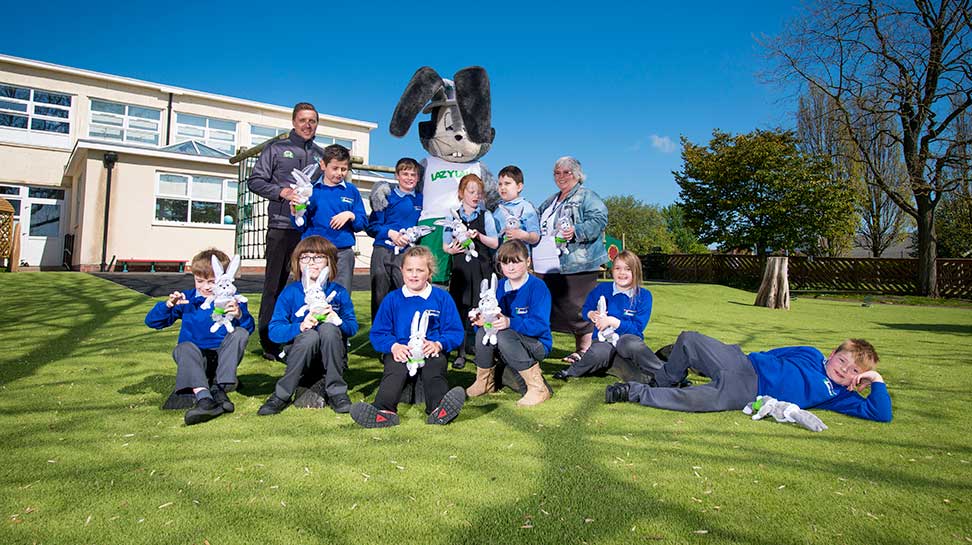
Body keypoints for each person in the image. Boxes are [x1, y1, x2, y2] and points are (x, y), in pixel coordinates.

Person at [604, 332, 893, 423]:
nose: (844, 370)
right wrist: (732, 360)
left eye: (853, 371)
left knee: (695, 400)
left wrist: (876, 379)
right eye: (842, 361)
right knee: (689, 340)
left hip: (748, 390)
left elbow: (880, 413)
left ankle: (634, 392)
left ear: (859, 378)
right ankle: (664, 378)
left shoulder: (839, 394)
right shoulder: (809, 353)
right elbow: (774, 353)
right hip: (742, 361)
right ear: (832, 354)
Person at [350, 246, 467, 428]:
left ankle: (439, 410)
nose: (414, 275)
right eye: (409, 270)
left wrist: (439, 344)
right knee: (394, 372)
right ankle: (383, 412)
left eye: (419, 270)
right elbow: (379, 333)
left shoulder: (441, 298)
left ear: (429, 272)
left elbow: (455, 331)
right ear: (402, 271)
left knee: (434, 371)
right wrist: (393, 346)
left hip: (430, 350)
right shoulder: (392, 299)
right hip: (400, 349)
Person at [246, 102, 326, 360]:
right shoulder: (276, 149)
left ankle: (300, 337)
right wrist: (282, 192)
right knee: (275, 286)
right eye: (303, 120)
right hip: (281, 228)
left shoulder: (320, 155)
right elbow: (255, 180)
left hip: (309, 231)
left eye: (312, 120)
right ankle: (269, 341)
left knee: (307, 285)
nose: (307, 125)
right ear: (294, 122)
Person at [144, 248, 254, 426]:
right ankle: (205, 399)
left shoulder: (233, 300)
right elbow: (153, 322)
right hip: (195, 358)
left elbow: (248, 329)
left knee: (239, 333)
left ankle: (220, 386)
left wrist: (240, 315)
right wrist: (168, 306)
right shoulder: (186, 299)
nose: (205, 287)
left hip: (223, 358)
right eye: (199, 281)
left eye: (211, 281)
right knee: (184, 347)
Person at [257, 236, 358, 416]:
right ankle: (282, 394)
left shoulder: (338, 292)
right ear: (298, 262)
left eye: (318, 257)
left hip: (333, 355)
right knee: (310, 335)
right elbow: (274, 331)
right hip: (300, 354)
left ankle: (337, 392)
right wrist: (300, 327)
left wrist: (337, 320)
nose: (312, 263)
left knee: (328, 328)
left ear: (329, 262)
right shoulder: (290, 292)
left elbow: (352, 328)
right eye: (305, 258)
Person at [533, 156, 609, 365]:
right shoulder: (550, 200)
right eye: (557, 172)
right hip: (548, 265)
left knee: (578, 307)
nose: (561, 176)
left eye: (566, 172)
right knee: (553, 307)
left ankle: (584, 350)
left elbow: (599, 219)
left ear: (577, 174)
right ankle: (542, 347)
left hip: (578, 263)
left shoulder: (587, 196)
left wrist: (576, 231)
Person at [467, 240, 553, 406]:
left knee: (505, 335)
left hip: (537, 343)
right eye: (505, 263)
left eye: (516, 262)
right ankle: (484, 382)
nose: (511, 268)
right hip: (508, 340)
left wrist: (509, 322)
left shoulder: (537, 287)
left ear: (528, 262)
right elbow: (493, 315)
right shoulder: (499, 286)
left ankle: (538, 388)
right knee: (484, 332)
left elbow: (540, 325)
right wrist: (482, 319)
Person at [554, 250, 660, 382]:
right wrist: (591, 314)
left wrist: (613, 322)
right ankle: (571, 372)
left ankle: (664, 374)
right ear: (612, 271)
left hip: (628, 341)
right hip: (604, 340)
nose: (622, 273)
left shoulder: (643, 296)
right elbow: (586, 309)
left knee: (631, 345)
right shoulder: (602, 289)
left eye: (628, 269)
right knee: (599, 353)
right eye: (617, 268)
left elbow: (637, 328)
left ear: (636, 271)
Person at [442, 173, 499, 369]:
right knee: (460, 310)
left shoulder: (486, 216)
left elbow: (494, 242)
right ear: (461, 193)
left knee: (482, 309)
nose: (475, 196)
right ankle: (461, 353)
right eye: (471, 191)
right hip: (461, 271)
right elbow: (445, 245)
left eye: (479, 193)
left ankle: (482, 353)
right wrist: (451, 249)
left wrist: (479, 236)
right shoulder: (452, 215)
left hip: (482, 267)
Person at [292, 143, 367, 291]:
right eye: (335, 168)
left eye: (344, 169)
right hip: (314, 253)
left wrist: (350, 215)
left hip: (343, 254)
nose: (339, 173)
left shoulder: (352, 191)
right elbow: (299, 225)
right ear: (323, 165)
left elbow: (362, 223)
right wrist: (296, 210)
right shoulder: (310, 190)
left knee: (340, 296)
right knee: (310, 294)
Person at [365, 157, 423, 319]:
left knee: (406, 293)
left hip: (407, 254)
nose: (409, 178)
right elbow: (372, 227)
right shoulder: (385, 196)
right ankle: (380, 336)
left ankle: (405, 333)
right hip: (383, 251)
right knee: (380, 295)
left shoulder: (421, 199)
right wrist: (390, 233)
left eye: (413, 174)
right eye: (405, 174)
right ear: (397, 175)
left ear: (418, 178)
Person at [492, 165, 540, 246]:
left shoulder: (526, 207)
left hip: (519, 256)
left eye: (507, 183)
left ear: (519, 187)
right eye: (500, 184)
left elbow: (535, 237)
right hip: (499, 256)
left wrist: (523, 235)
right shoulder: (497, 209)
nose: (502, 187)